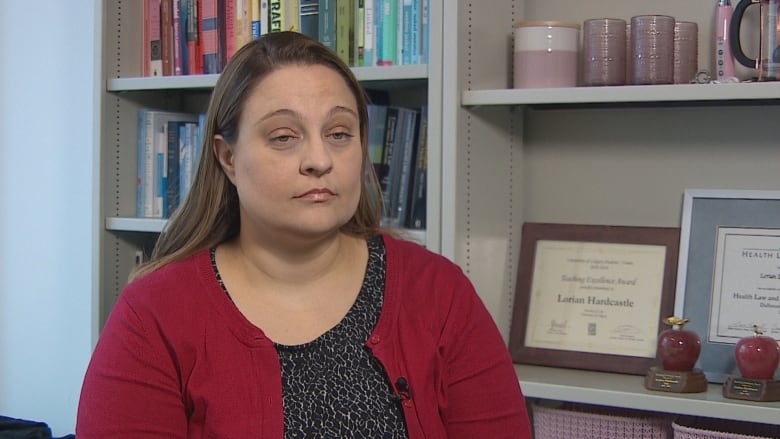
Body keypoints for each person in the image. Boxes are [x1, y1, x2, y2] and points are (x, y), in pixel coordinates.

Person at [76, 31, 532, 438]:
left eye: (338, 133)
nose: (319, 160)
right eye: (283, 137)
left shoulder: (439, 292)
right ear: (228, 157)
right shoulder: (151, 318)